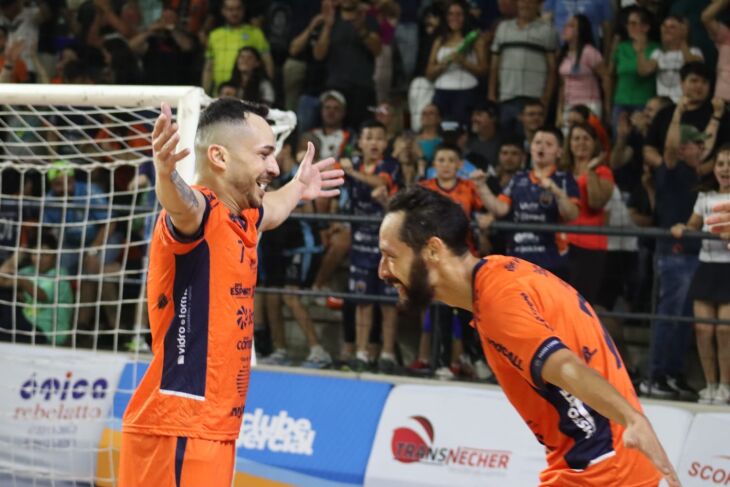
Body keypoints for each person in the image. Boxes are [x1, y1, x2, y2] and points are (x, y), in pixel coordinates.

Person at [377, 185, 679, 487]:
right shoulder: (500, 274)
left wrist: (632, 419)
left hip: (601, 472)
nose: (382, 271)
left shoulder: (497, 303)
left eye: (390, 256)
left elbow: (563, 365)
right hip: (605, 463)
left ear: (432, 250)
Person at [119, 99, 343, 487]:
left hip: (213, 432)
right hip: (177, 430)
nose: (274, 167)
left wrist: (299, 187)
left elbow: (269, 210)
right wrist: (165, 174)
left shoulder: (242, 219)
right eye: (264, 154)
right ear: (219, 157)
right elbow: (180, 205)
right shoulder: (200, 213)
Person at [473, 126, 579, 280]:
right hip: (518, 259)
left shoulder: (564, 179)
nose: (541, 147)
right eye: (537, 143)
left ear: (559, 152)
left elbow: (572, 214)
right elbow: (500, 209)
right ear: (531, 148)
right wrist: (481, 186)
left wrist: (556, 191)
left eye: (548, 144)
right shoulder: (518, 177)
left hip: (552, 261)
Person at [671, 144, 730, 405]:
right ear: (714, 168)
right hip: (707, 266)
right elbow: (694, 224)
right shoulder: (705, 197)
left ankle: (725, 386)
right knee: (704, 330)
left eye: (729, 164)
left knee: (724, 331)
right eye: (720, 164)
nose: (725, 169)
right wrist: (682, 227)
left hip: (728, 267)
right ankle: (710, 385)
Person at [339, 120, 400, 373]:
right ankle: (361, 353)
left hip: (388, 246)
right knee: (362, 302)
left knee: (388, 304)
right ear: (360, 143)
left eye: (379, 138)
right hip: (360, 246)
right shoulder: (352, 165)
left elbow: (380, 183)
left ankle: (387, 354)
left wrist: (350, 171)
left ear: (385, 143)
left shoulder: (390, 166)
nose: (374, 142)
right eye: (369, 137)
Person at [425, 0, 487, 126]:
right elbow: (429, 73)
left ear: (465, 16)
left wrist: (463, 62)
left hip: (466, 92)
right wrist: (444, 64)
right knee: (441, 129)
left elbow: (484, 70)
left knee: (461, 129)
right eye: (451, 14)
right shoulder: (439, 40)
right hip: (441, 93)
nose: (454, 18)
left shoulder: (475, 39)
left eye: (459, 14)